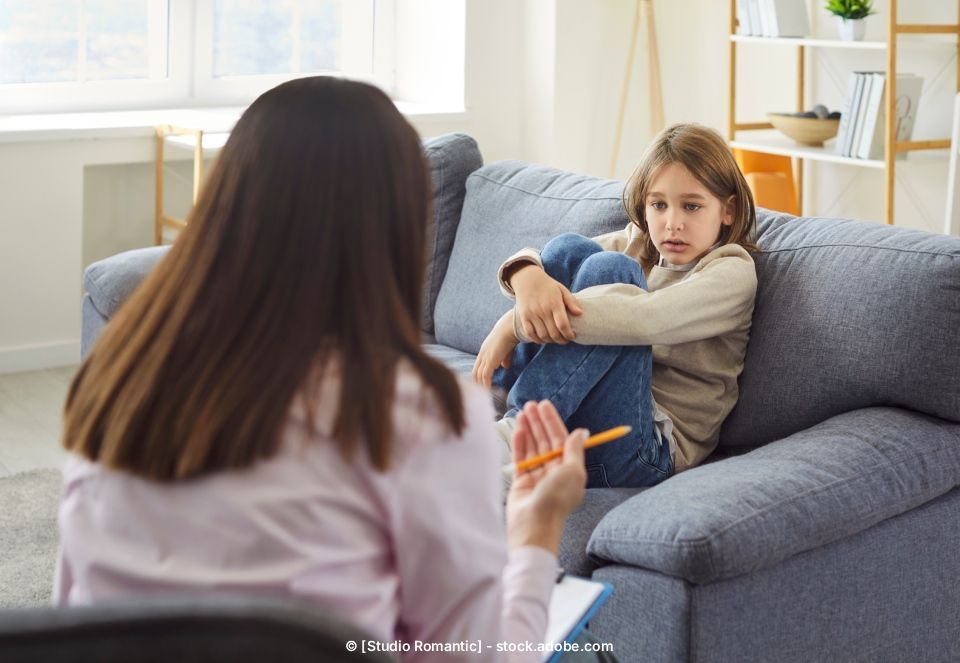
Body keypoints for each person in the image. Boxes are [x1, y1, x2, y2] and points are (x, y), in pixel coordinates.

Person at [54, 77, 615, 662]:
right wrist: (534, 532)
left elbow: (72, 618)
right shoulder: (420, 414)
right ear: (394, 232)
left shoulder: (120, 378)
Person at [472, 123, 759, 489]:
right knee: (569, 249)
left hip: (643, 451)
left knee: (613, 271)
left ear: (728, 210)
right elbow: (550, 259)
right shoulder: (639, 244)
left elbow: (645, 320)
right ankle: (496, 417)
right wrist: (523, 274)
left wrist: (514, 325)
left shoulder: (731, 272)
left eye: (691, 206)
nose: (672, 223)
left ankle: (517, 436)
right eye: (659, 205)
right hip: (580, 424)